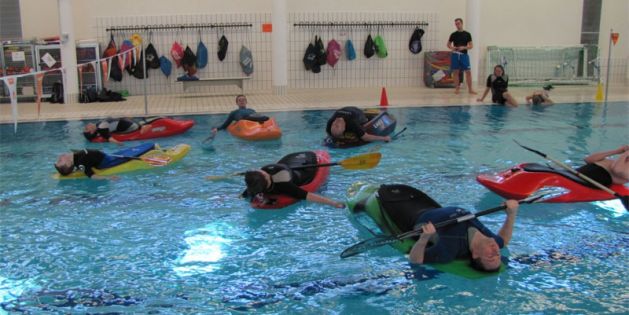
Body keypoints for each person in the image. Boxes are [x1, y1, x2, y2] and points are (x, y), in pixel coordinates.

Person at [409, 200, 519, 272]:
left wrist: (424, 239)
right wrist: (511, 214)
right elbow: (504, 240)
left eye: (490, 256)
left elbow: (415, 260)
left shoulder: (450, 250)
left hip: (420, 218)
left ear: (475, 254)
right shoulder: (491, 241)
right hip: (438, 208)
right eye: (498, 255)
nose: (496, 251)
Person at [242, 164, 345, 209]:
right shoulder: (284, 186)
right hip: (301, 174)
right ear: (265, 175)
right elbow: (308, 196)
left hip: (285, 169)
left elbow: (243, 196)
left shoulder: (253, 187)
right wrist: (334, 203)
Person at [326, 106, 391, 143]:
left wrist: (384, 138)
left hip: (357, 113)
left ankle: (368, 116)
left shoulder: (351, 123)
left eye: (341, 135)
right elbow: (330, 135)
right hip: (345, 109)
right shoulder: (329, 124)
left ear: (344, 127)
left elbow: (366, 137)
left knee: (364, 126)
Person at [447, 18, 477, 95]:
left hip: (464, 55)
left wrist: (464, 47)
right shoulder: (453, 34)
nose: (457, 25)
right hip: (455, 55)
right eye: (456, 24)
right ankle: (457, 88)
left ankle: (470, 89)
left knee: (468, 72)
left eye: (458, 23)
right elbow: (448, 44)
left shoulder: (467, 34)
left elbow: (471, 46)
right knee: (455, 72)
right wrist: (452, 48)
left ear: (462, 23)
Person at [83, 118, 152, 145]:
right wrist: (118, 143)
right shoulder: (100, 125)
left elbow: (109, 137)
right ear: (91, 131)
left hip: (131, 125)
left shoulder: (100, 126)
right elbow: (108, 137)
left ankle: (141, 126)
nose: (86, 126)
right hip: (131, 125)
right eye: (86, 129)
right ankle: (141, 126)